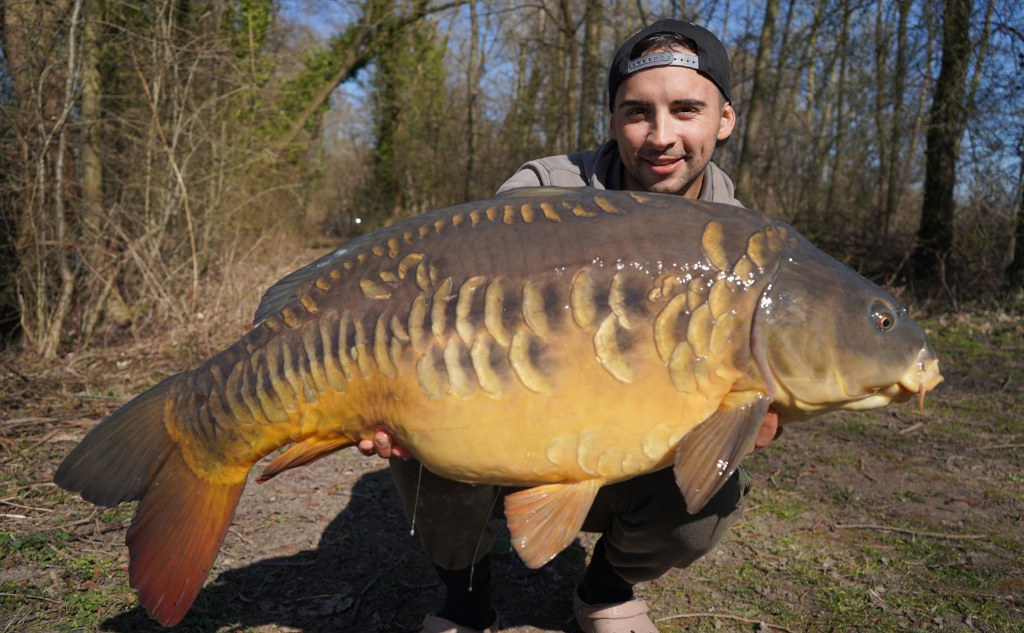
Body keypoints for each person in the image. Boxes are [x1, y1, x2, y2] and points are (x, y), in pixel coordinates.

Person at [359, 19, 780, 633]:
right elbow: (461, 304)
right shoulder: (543, 193)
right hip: (509, 424)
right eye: (638, 112)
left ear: (724, 120)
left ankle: (606, 590)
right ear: (612, 119)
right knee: (426, 422)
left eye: (686, 110)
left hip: (627, 446)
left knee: (709, 500)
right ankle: (466, 593)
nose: (662, 136)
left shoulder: (747, 250)